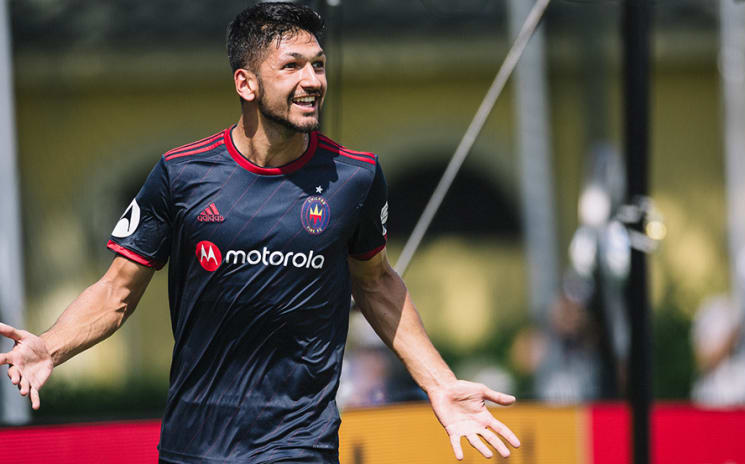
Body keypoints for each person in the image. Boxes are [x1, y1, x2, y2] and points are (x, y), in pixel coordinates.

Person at [0, 3, 520, 463]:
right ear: (245, 83)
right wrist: (50, 348)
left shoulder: (356, 178)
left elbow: (378, 283)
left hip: (299, 443)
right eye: (291, 66)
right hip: (193, 445)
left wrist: (440, 383)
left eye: (318, 64)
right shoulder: (180, 175)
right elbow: (116, 292)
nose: (313, 80)